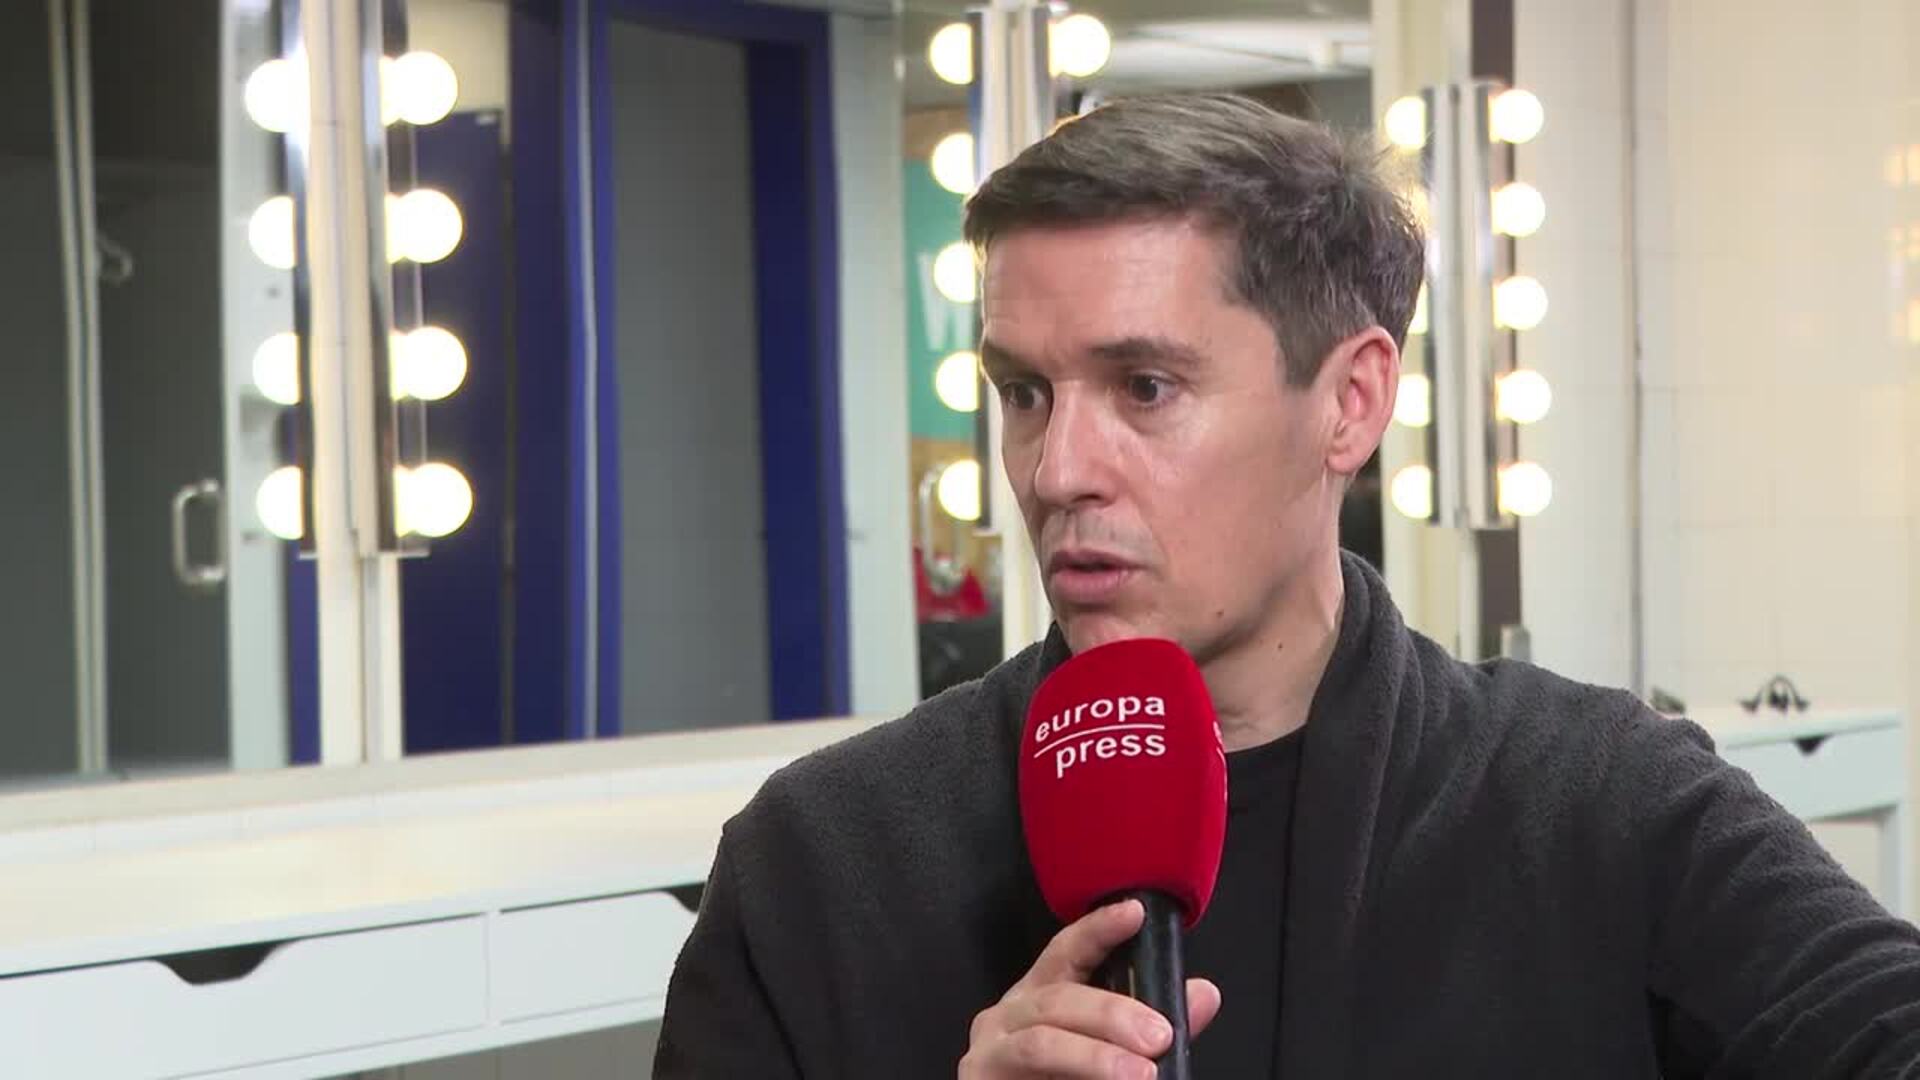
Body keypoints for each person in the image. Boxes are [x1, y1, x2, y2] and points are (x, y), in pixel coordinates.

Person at [653, 93, 1920, 1078]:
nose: (1057, 468)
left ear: (1351, 402)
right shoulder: (819, 865)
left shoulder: (1594, 805)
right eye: (1025, 392)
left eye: (1146, 387)